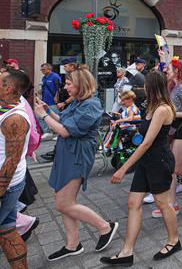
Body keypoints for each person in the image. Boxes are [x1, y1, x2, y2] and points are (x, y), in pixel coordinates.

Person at [33, 69, 119, 261]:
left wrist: (43, 116)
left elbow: (65, 131)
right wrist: (48, 112)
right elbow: (64, 122)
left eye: (69, 83)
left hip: (76, 156)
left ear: (81, 85)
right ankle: (73, 245)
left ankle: (105, 226)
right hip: (66, 155)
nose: (65, 86)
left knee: (64, 203)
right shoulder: (79, 102)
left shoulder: (91, 105)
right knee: (64, 203)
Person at [101, 71, 181, 266]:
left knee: (162, 204)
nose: (142, 87)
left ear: (152, 86)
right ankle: (127, 252)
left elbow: (146, 143)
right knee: (133, 203)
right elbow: (143, 123)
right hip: (148, 160)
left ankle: (174, 240)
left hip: (158, 161)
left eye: (145, 84)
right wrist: (124, 120)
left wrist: (123, 169)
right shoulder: (152, 106)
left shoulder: (162, 109)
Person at [148, 58, 182, 214]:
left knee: (177, 168)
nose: (165, 72)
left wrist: (168, 114)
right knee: (172, 168)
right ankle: (172, 204)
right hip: (171, 129)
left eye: (168, 70)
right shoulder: (169, 87)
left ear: (177, 72)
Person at [0, 69, 32, 268]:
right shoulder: (5, 106)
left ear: (8, 88)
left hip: (7, 184)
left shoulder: (15, 119)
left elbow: (11, 160)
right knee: (6, 230)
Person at [39, 62, 61, 140]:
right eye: (41, 70)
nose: (42, 71)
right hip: (45, 100)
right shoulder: (44, 78)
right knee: (39, 115)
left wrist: (56, 97)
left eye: (44, 69)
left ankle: (59, 133)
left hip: (52, 101)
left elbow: (59, 88)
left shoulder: (55, 76)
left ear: (49, 69)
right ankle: (47, 132)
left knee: (56, 116)